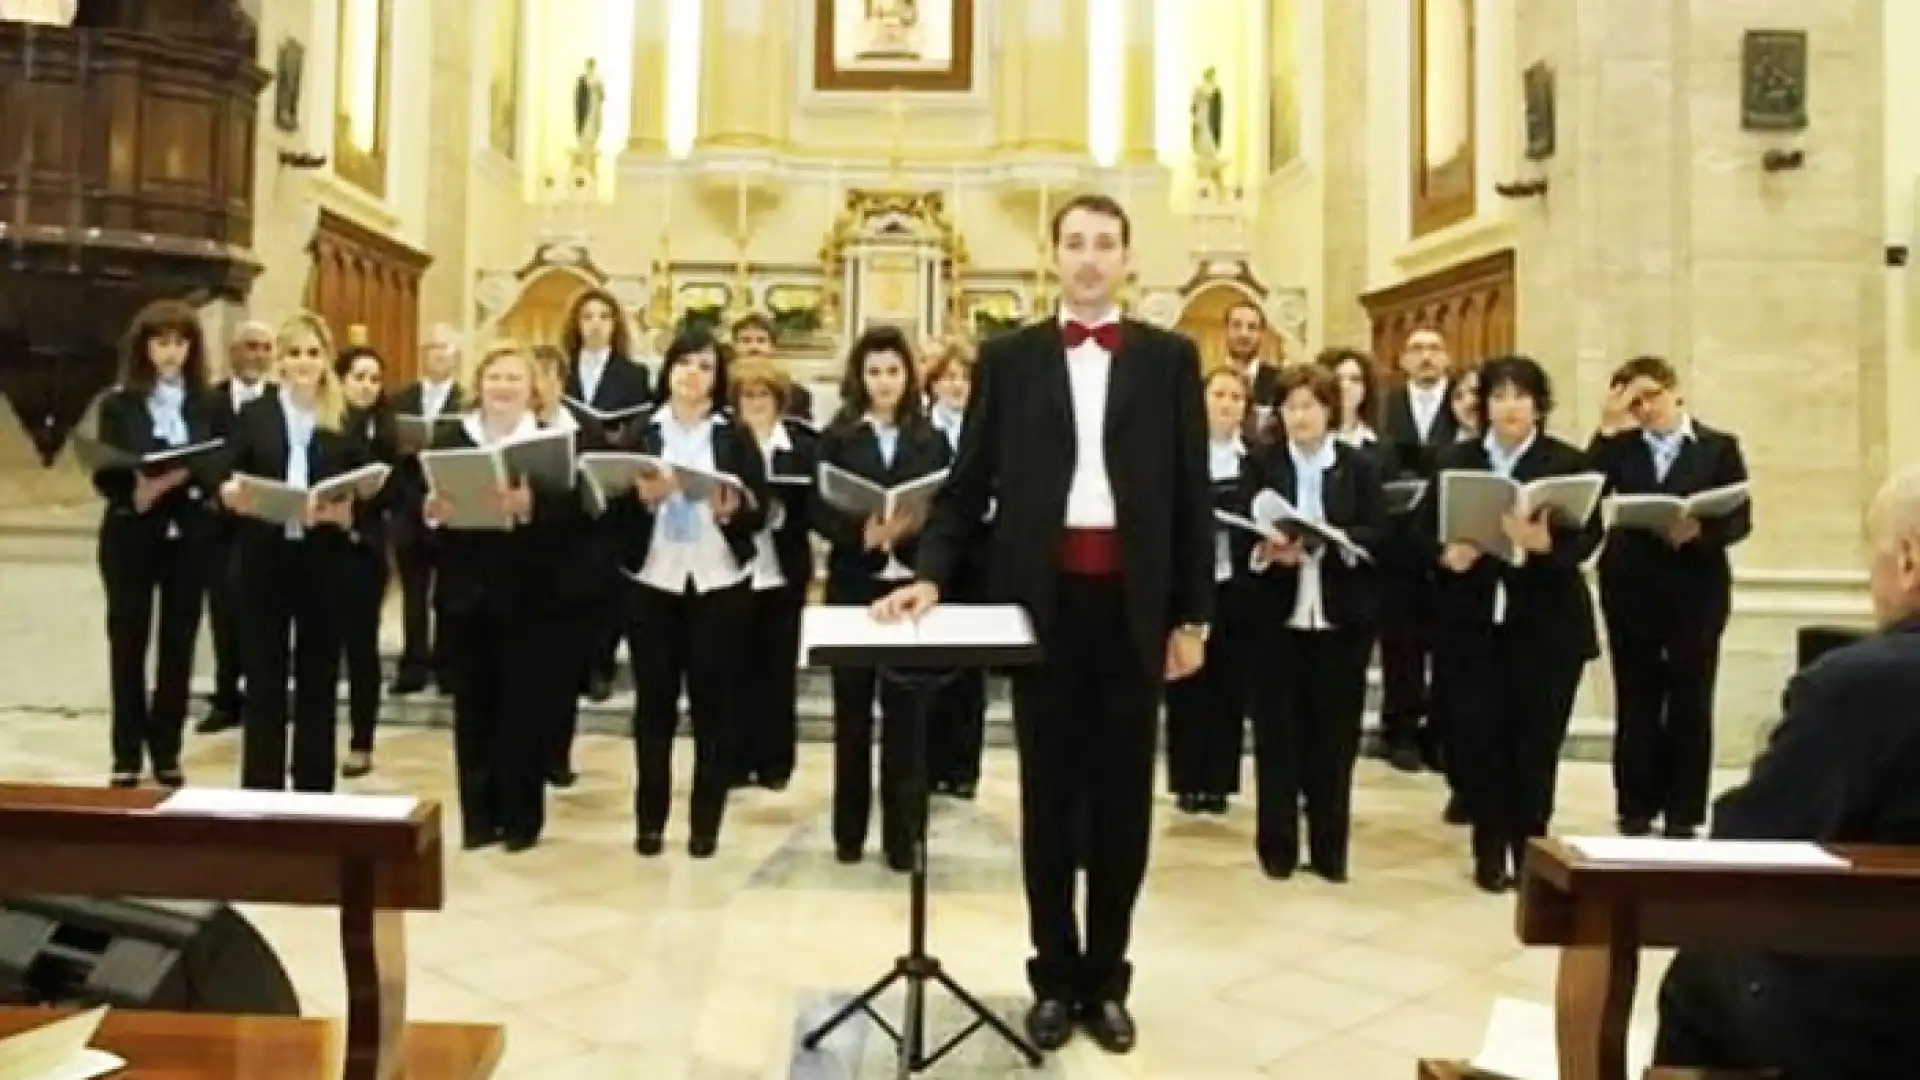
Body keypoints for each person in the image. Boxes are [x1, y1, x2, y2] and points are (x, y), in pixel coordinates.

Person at [875, 193, 1213, 1056]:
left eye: (1106, 243)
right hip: (1045, 606)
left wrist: (1193, 616)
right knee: (1049, 800)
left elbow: (1189, 496)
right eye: (1076, 243)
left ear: (1128, 257)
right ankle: (1054, 977)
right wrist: (930, 578)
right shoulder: (1011, 357)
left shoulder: (1170, 359)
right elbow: (967, 485)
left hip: (1134, 610)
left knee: (1123, 808)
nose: (1091, 258)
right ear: (1053, 256)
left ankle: (1109, 977)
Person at [1653, 462, 1920, 1079]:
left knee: (1702, 968)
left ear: (1906, 560)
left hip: (1876, 1019)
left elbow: (1745, 843)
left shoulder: (1858, 685)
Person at [1412, 355, 1603, 892]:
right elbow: (1419, 532)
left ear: (1539, 404)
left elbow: (1590, 535)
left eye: (1521, 395)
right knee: (1478, 743)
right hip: (1471, 625)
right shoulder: (1456, 459)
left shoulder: (1566, 460)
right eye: (1499, 395)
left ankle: (1531, 851)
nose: (1509, 406)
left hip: (1545, 627)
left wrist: (1549, 544)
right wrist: (1446, 555)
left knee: (1535, 745)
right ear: (1483, 405)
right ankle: (1489, 852)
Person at [613, 328, 768, 858]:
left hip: (717, 580)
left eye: (704, 366)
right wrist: (641, 500)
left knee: (713, 708)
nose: (691, 374)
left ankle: (706, 825)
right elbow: (609, 503)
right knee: (654, 707)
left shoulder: (733, 436)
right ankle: (650, 822)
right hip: (653, 579)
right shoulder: (640, 432)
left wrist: (733, 509)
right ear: (668, 370)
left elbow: (760, 506)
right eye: (683, 363)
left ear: (717, 378)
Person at [427, 341, 582, 852]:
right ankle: (478, 818)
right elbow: (416, 513)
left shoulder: (549, 443)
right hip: (465, 588)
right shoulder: (452, 437)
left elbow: (575, 521)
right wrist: (434, 510)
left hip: (530, 592)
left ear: (532, 389)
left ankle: (520, 820)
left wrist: (533, 504)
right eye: (495, 376)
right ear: (480, 383)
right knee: (472, 705)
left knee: (522, 707)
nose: (503, 386)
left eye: (514, 378)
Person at [1590, 356, 1752, 838]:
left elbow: (1741, 518)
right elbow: (1585, 486)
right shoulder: (1619, 448)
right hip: (1632, 586)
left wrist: (1700, 531)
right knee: (1636, 696)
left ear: (1675, 390)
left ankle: (1684, 811)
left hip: (1695, 586)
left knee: (1691, 698)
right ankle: (1635, 806)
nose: (1645, 409)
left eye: (1651, 397)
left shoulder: (1718, 447)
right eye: (1634, 403)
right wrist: (1606, 427)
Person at [1242, 364, 1387, 882]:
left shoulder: (1360, 466)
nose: (1300, 416)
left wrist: (1340, 542)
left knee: (1334, 742)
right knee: (1277, 739)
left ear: (1330, 410)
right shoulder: (1261, 464)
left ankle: (1329, 851)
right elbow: (1242, 528)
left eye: (1310, 405)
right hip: (1277, 619)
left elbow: (1380, 532)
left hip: (1340, 619)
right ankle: (1277, 850)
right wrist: (1265, 552)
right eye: (1291, 406)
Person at [814, 326, 952, 869]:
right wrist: (861, 536)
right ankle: (849, 835)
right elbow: (818, 509)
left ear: (908, 377)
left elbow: (946, 508)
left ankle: (904, 839)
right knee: (852, 716)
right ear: (859, 377)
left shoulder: (931, 438)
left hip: (908, 591)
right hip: (854, 584)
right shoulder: (838, 436)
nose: (884, 382)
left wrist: (912, 527)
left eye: (893, 371)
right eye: (874, 372)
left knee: (908, 720)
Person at [220, 312, 371, 792]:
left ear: (326, 360)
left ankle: (313, 787)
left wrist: (346, 512)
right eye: (293, 353)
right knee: (264, 680)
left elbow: (370, 487)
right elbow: (231, 472)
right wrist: (232, 494)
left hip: (323, 560)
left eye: (312, 353)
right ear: (279, 362)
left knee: (318, 679)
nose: (303, 362)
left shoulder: (345, 416)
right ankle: (261, 788)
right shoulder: (255, 415)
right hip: (264, 559)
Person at [91, 300, 221, 788]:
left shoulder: (208, 401)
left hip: (189, 533)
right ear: (145, 347)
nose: (172, 353)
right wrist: (138, 487)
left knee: (178, 645)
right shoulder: (119, 402)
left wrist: (174, 477)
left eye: (181, 343)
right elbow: (107, 467)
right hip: (132, 532)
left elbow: (217, 458)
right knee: (128, 642)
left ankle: (166, 750)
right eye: (162, 342)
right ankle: (126, 752)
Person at [1165, 366, 1255, 816]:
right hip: (1189, 577)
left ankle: (1219, 781)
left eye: (1236, 397)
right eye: (1218, 394)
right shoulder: (1181, 453)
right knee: (1188, 680)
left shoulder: (1252, 459)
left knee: (1229, 683)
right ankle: (1187, 778)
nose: (1226, 403)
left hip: (1236, 580)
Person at [729, 357, 818, 791]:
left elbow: (818, 503)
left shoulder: (801, 444)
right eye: (747, 395)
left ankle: (775, 762)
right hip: (734, 565)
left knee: (777, 669)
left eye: (764, 394)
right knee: (734, 668)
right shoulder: (725, 442)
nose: (756, 402)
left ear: (779, 400)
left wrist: (784, 512)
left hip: (783, 566)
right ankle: (733, 759)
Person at [562, 287, 653, 701]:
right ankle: (575, 664)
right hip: (572, 484)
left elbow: (642, 425)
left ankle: (601, 664)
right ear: (576, 324)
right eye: (587, 316)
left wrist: (621, 437)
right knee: (573, 581)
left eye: (603, 316)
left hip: (615, 486)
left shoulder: (632, 375)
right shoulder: (561, 371)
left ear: (615, 325)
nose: (595, 324)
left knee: (608, 583)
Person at [1377, 328, 1458, 773]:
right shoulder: (1386, 407)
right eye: (1417, 350)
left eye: (1434, 349)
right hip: (1399, 539)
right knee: (1401, 639)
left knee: (1447, 640)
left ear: (1447, 359)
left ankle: (1441, 734)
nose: (1426, 357)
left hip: (1448, 537)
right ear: (1402, 361)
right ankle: (1401, 730)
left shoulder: (1464, 406)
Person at [197, 319, 274, 734]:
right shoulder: (210, 401)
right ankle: (226, 697)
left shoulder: (280, 401)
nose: (257, 355)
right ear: (233, 353)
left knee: (262, 612)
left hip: (266, 521)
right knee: (223, 611)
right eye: (250, 346)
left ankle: (263, 695)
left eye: (265, 347)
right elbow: (202, 451)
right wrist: (219, 487)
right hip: (218, 522)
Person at [921, 337, 988, 799]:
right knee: (930, 664)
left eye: (964, 377)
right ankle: (928, 762)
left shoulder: (991, 428)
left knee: (971, 666)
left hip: (982, 552)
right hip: (931, 554)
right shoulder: (920, 432)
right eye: (948, 377)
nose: (956, 385)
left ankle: (963, 768)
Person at [388, 324, 466, 697]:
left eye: (445, 348)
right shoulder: (401, 400)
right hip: (410, 503)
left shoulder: (467, 402)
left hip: (451, 505)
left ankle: (449, 664)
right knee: (413, 592)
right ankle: (413, 663)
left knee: (448, 592)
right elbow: (386, 449)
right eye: (431, 347)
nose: (437, 354)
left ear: (456, 356)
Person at [333, 345, 398, 778]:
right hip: (321, 545)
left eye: (375, 379)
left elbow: (401, 490)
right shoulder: (327, 426)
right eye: (359, 377)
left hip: (365, 549)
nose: (367, 386)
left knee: (362, 650)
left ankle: (362, 739)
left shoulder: (386, 432)